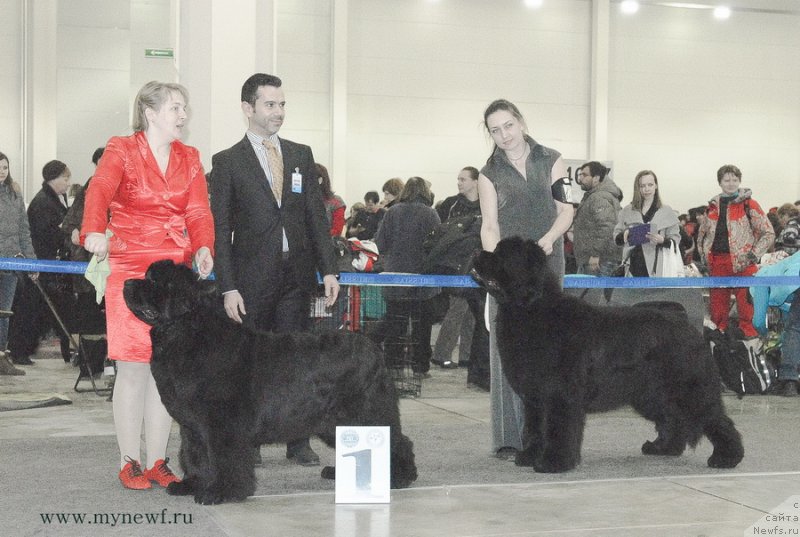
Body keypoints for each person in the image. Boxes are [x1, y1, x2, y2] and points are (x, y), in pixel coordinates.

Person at [81, 81, 215, 490]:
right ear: (150, 113)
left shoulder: (189, 156)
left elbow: (197, 209)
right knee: (134, 367)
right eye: (175, 108)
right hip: (132, 270)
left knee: (166, 370)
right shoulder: (121, 148)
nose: (183, 115)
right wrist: (92, 231)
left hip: (172, 272)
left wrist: (205, 246)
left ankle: (158, 459)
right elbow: (100, 190)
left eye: (184, 108)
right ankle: (129, 461)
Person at [210, 73, 339, 467]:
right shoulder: (227, 161)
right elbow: (220, 230)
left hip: (296, 277)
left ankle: (298, 440)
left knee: (296, 362)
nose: (278, 112)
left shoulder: (301, 154)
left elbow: (316, 217)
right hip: (250, 281)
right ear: (248, 108)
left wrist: (329, 270)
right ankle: (248, 442)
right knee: (249, 366)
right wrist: (227, 286)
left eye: (282, 104)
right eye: (270, 104)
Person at [477, 99, 574, 459]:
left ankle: (548, 434)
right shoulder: (488, 173)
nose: (503, 135)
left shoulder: (552, 159)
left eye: (508, 126)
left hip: (549, 264)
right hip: (510, 273)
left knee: (550, 352)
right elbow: (490, 225)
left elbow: (567, 210)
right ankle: (509, 437)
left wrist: (549, 239)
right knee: (508, 349)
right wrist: (495, 269)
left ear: (520, 122)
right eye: (495, 130)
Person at [697, 164, 774, 339]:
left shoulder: (749, 204)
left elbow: (768, 233)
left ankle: (750, 346)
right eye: (726, 180)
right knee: (717, 312)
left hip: (744, 264)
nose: (731, 183)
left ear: (739, 181)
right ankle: (718, 344)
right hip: (717, 264)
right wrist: (704, 257)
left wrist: (753, 255)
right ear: (720, 182)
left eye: (734, 179)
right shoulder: (712, 207)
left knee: (748, 310)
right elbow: (702, 236)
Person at [373, 176, 441, 376]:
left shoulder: (392, 212)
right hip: (422, 278)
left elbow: (380, 243)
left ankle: (393, 366)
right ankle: (420, 367)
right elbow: (437, 245)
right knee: (422, 327)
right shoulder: (431, 214)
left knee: (396, 323)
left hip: (395, 276)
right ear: (424, 192)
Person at [22, 160, 74, 364]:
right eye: (65, 178)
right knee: (35, 309)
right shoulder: (44, 202)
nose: (68, 183)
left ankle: (27, 348)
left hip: (49, 263)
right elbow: (45, 234)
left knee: (43, 310)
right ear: (54, 178)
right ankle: (22, 349)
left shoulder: (54, 199)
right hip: (43, 263)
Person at [0, 152, 36, 376]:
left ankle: (2, 357)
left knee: (5, 312)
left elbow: (24, 230)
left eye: (4, 167)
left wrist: (32, 263)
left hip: (11, 262)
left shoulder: (14, 194)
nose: (1, 171)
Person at [613, 170, 681, 277]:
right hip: (632, 265)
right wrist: (624, 235)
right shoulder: (627, 210)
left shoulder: (667, 211)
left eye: (650, 185)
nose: (647, 189)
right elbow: (617, 238)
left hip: (658, 267)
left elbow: (676, 239)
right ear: (638, 188)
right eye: (642, 186)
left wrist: (662, 240)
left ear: (656, 186)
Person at [750, 250, 800, 397]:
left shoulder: (760, 279)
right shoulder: (783, 268)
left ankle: (789, 380)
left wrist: (765, 335)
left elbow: (758, 321)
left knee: (795, 328)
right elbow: (786, 316)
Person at [572, 161, 623, 276]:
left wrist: (595, 254)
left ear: (596, 178)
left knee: (594, 293)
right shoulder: (596, 196)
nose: (580, 179)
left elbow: (607, 227)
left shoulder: (599, 197)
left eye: (584, 175)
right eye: (580, 175)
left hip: (599, 261)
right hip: (597, 259)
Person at [316, 163, 346, 236]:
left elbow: (337, 231)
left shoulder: (336, 202)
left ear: (320, 180)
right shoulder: (304, 201)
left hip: (327, 243)